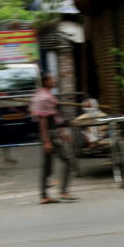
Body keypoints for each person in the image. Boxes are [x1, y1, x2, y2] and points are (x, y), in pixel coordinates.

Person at [31, 74, 77, 204]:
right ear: (46, 82)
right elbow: (43, 121)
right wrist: (47, 141)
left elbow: (54, 118)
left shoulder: (44, 95)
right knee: (67, 160)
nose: (54, 80)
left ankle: (43, 196)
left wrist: (62, 133)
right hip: (50, 135)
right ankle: (63, 192)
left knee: (47, 166)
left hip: (51, 134)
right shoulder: (44, 98)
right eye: (51, 79)